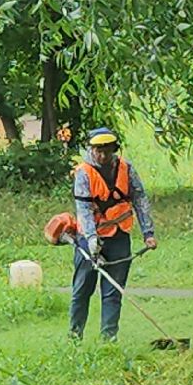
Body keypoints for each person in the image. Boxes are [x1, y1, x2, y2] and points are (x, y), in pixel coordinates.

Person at [69, 127, 158, 340]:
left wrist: (148, 232)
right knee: (82, 291)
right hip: (89, 239)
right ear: (91, 149)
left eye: (106, 150)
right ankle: (74, 337)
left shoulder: (126, 169)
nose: (102, 155)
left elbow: (140, 200)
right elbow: (84, 210)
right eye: (97, 150)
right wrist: (91, 240)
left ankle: (108, 339)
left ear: (114, 149)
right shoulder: (83, 172)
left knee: (113, 292)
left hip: (119, 237)